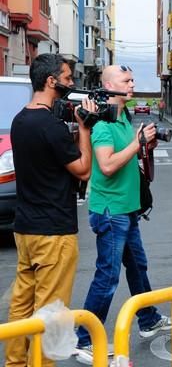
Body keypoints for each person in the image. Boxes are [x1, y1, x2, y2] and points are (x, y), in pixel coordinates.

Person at [75, 65, 172, 364]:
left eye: (132, 79)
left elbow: (128, 156)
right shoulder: (103, 124)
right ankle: (85, 339)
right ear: (109, 86)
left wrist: (146, 146)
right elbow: (105, 166)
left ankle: (148, 319)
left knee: (138, 266)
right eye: (126, 81)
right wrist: (136, 143)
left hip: (126, 210)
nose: (132, 84)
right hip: (111, 212)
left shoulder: (122, 117)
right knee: (108, 276)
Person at [5, 54, 95, 367]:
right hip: (54, 231)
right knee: (50, 310)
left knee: (22, 302)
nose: (72, 84)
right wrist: (85, 129)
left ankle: (15, 361)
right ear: (51, 81)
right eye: (68, 78)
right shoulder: (52, 127)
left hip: (25, 228)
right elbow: (83, 170)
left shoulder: (20, 120)